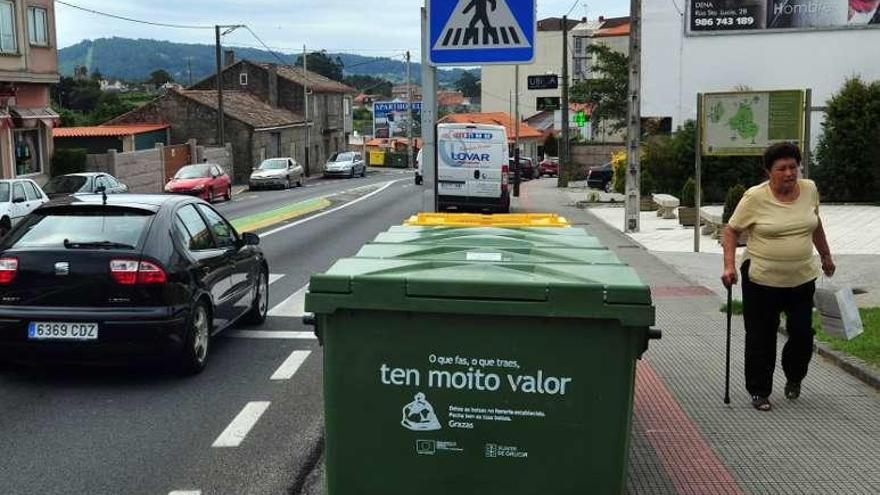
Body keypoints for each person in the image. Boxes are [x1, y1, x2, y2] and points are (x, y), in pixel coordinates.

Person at [721, 143, 835, 412]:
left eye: (793, 167)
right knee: (761, 336)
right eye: (781, 168)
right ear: (768, 171)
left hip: (801, 277)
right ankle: (759, 391)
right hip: (761, 279)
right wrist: (729, 266)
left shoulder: (809, 189)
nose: (789, 173)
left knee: (802, 333)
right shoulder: (755, 197)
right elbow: (731, 231)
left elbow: (815, 223)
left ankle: (794, 377)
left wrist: (826, 256)